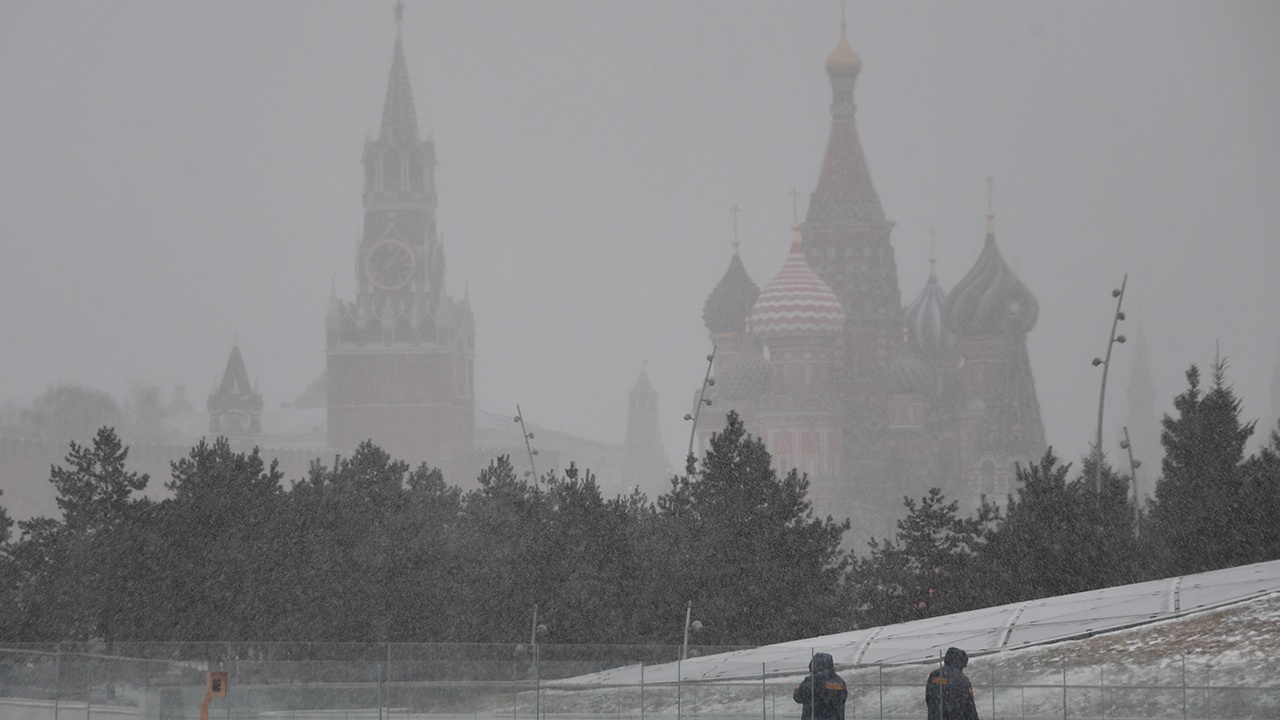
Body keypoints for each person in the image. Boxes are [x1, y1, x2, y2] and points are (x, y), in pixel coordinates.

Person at [925, 647, 980, 720]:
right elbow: (970, 707)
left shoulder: (935, 674)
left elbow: (929, 698)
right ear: (960, 663)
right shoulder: (963, 680)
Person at [793, 652, 847, 720]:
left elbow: (798, 697)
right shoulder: (840, 682)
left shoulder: (812, 680)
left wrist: (798, 688)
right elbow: (842, 699)